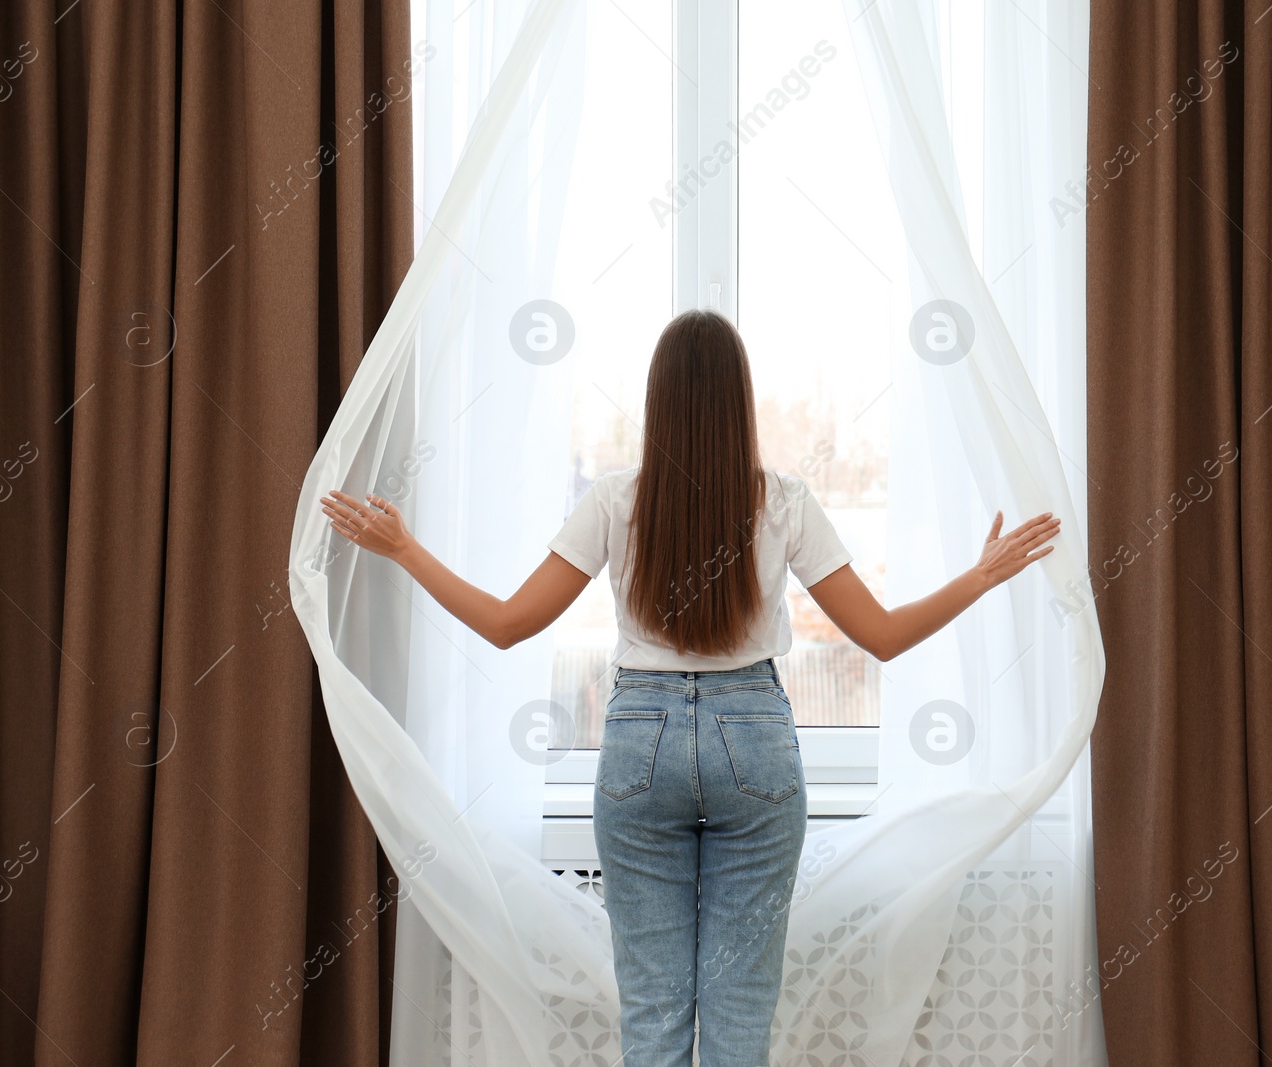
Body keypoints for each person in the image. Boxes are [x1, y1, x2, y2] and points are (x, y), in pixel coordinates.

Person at [319, 307, 1061, 1067]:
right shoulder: (785, 502)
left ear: (658, 403)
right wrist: (981, 576)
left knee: (654, 1016)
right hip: (756, 746)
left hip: (642, 744)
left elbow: (509, 624)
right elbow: (883, 635)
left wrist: (405, 549)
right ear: (740, 403)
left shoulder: (614, 500)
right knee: (740, 1020)